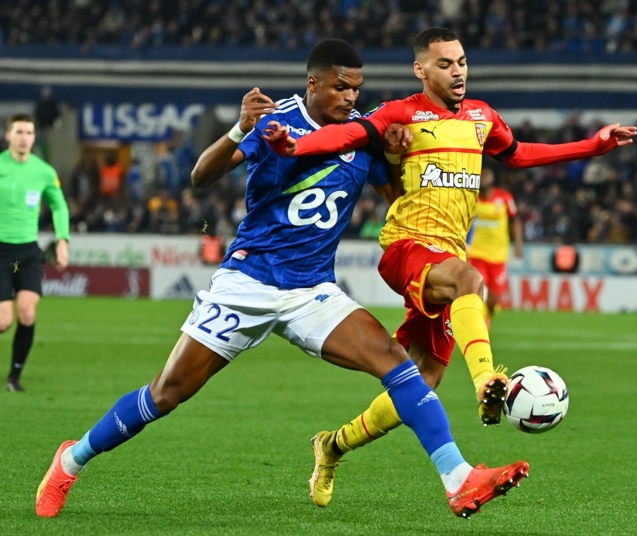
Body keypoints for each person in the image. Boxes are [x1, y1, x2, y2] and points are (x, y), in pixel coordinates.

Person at [35, 40, 528, 521]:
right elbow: (201, 177)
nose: (351, 98)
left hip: (311, 291)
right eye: (341, 88)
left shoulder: (362, 134)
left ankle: (458, 478)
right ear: (313, 84)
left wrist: (401, 152)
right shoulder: (277, 120)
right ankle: (71, 460)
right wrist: (237, 130)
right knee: (166, 393)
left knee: (399, 367)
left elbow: (400, 198)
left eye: (357, 89)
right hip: (247, 282)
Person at [262, 26, 636, 507]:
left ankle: (332, 446)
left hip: (447, 257)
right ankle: (487, 383)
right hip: (406, 248)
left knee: (421, 382)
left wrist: (593, 146)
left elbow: (520, 154)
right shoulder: (401, 113)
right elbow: (348, 133)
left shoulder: (482, 116)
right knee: (470, 281)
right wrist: (294, 147)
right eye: (444, 64)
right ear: (421, 69)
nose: (457, 71)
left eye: (461, 62)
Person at [1, 113, 69, 392]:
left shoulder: (43, 171)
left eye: (29, 133)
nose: (24, 138)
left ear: (34, 137)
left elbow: (59, 205)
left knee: (27, 314)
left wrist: (62, 240)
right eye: (18, 132)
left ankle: (14, 378)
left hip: (28, 252)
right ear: (8, 135)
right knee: (3, 321)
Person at [466, 165, 522, 327]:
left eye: (486, 176)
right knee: (477, 290)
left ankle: (487, 314)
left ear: (491, 180)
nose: (483, 179)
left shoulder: (504, 198)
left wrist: (518, 245)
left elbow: (514, 221)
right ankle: (481, 324)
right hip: (477, 253)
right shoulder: (472, 198)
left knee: (493, 301)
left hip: (498, 255)